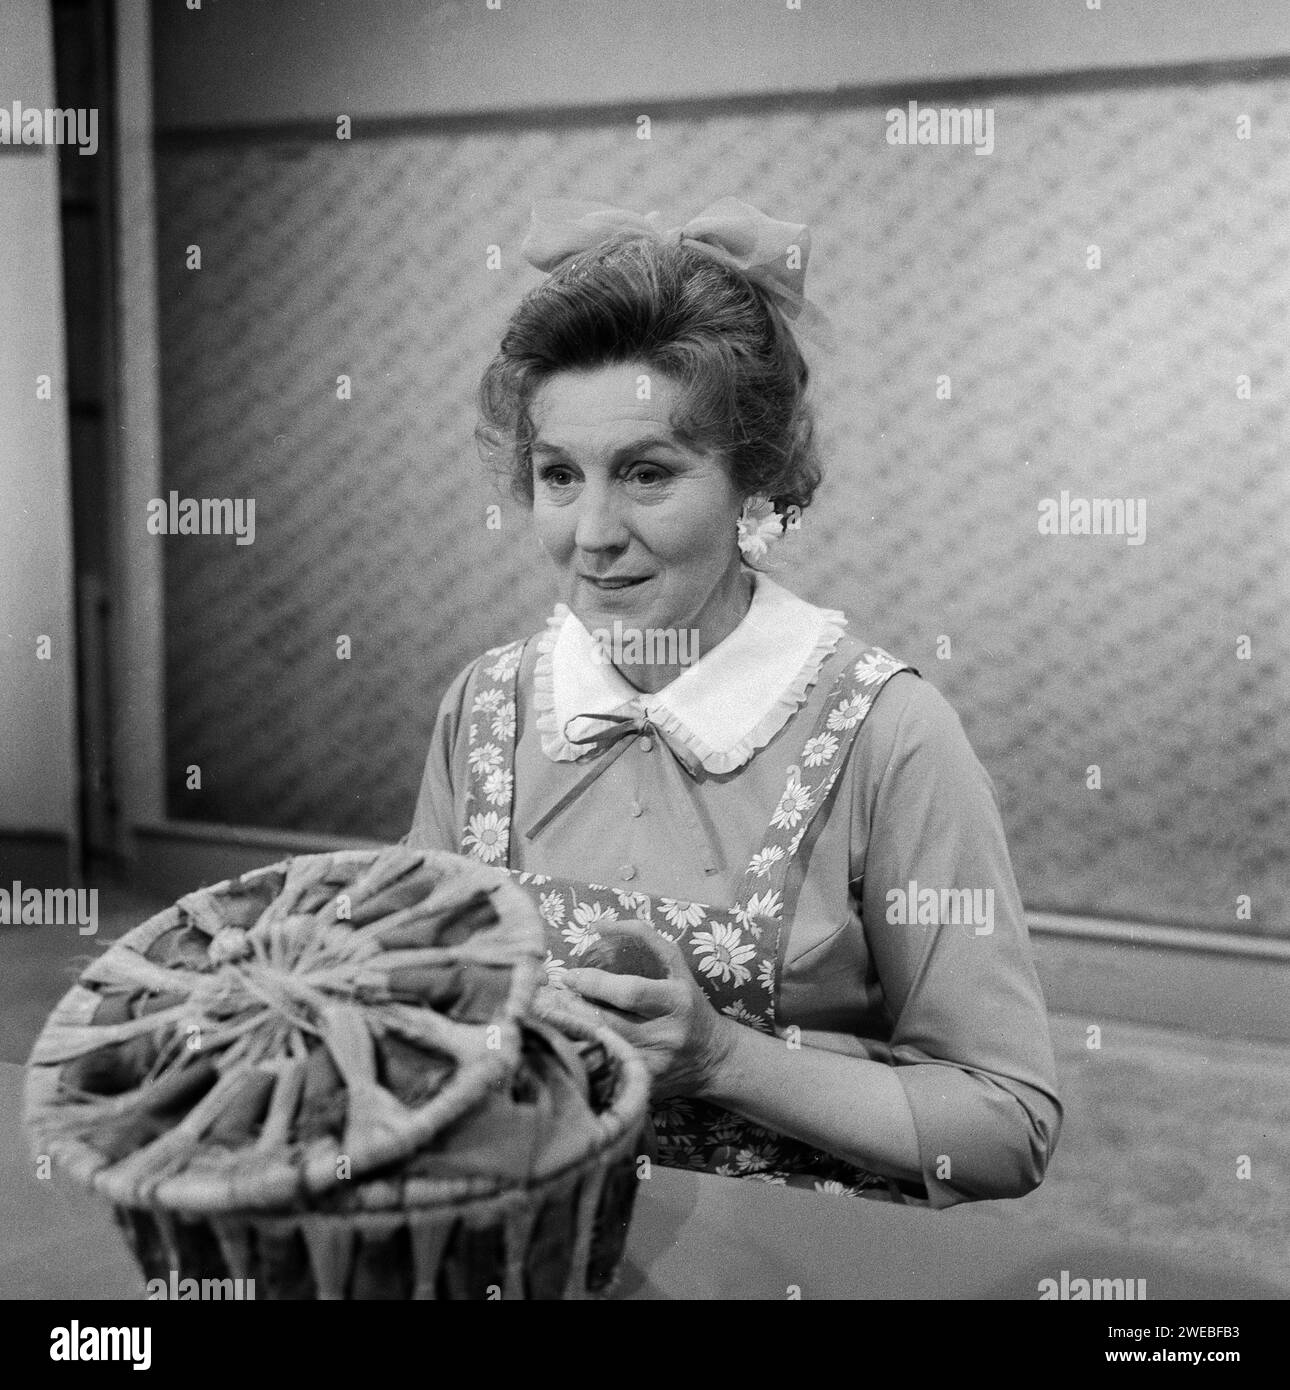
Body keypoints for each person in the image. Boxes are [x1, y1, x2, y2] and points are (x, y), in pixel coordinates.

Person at [405, 197, 1061, 1206]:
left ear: (754, 478)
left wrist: (724, 1061)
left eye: (647, 474)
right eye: (557, 476)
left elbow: (1003, 1127)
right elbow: (423, 1016)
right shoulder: (483, 707)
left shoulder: (890, 736)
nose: (592, 532)